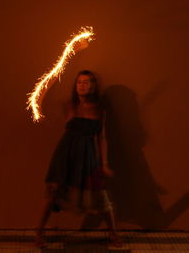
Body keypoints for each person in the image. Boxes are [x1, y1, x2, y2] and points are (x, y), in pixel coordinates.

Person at [35, 70, 123, 248]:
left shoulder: (99, 108)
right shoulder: (70, 105)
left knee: (100, 195)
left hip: (88, 154)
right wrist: (42, 88)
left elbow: (102, 137)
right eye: (79, 82)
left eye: (86, 82)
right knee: (53, 191)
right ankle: (39, 232)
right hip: (65, 153)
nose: (82, 85)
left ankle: (113, 233)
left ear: (93, 85)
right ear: (75, 86)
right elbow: (42, 101)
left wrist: (104, 163)